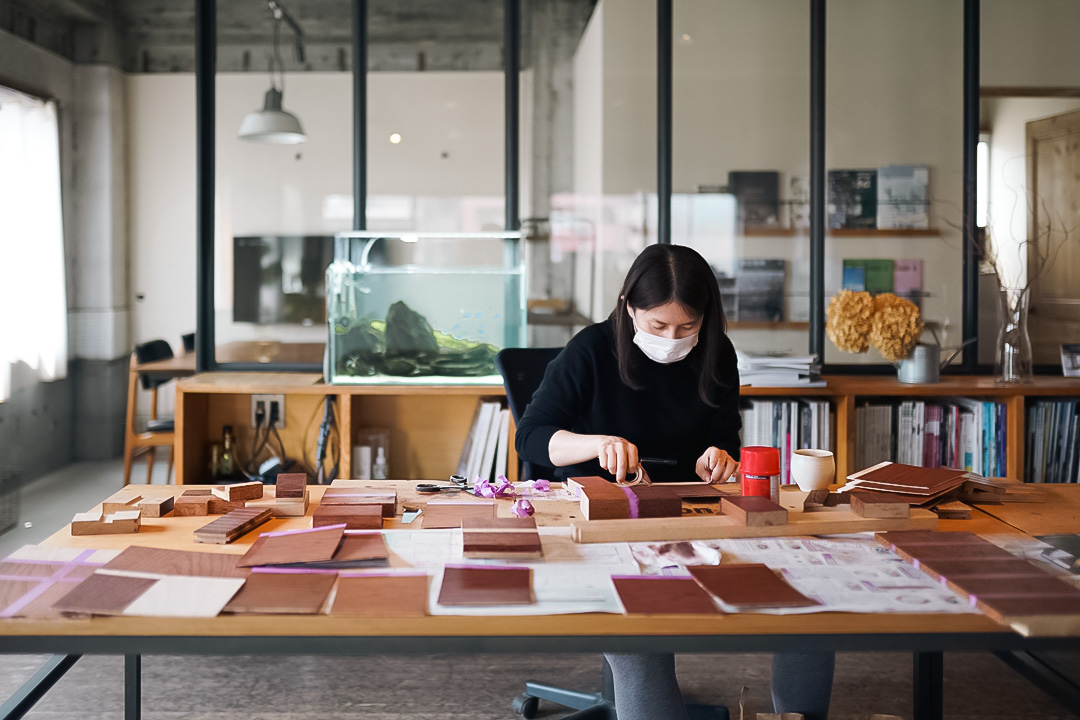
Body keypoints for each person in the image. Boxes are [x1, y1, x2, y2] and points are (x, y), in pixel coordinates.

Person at [515, 243, 834, 720]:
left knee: (811, 605)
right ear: (629, 307)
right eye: (658, 325)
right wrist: (597, 443)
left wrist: (717, 458)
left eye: (688, 327)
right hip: (607, 515)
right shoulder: (591, 350)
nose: (673, 338)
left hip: (693, 512)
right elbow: (532, 438)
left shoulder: (716, 352)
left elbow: (723, 437)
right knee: (639, 633)